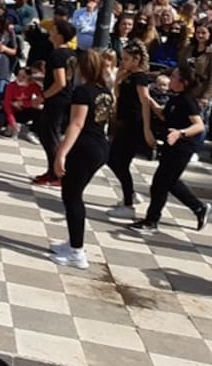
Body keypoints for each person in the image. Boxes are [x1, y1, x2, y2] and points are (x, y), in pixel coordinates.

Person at [49, 49, 114, 269]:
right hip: (100, 146)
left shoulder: (83, 92)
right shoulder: (104, 91)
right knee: (72, 194)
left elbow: (76, 124)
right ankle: (72, 243)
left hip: (85, 148)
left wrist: (61, 153)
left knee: (72, 196)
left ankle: (77, 252)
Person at [129, 64, 211, 234]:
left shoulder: (187, 100)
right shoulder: (176, 98)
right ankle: (199, 208)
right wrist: (148, 99)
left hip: (182, 148)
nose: (170, 79)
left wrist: (180, 133)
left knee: (160, 184)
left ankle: (152, 221)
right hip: (170, 146)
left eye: (174, 77)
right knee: (169, 182)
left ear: (183, 82)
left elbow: (199, 125)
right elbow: (163, 114)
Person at [107, 40, 154, 220]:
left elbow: (145, 102)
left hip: (133, 125)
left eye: (126, 59)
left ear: (136, 59)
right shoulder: (128, 75)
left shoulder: (139, 77)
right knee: (115, 161)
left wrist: (147, 129)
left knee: (118, 161)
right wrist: (118, 78)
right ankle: (130, 194)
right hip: (123, 122)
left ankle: (128, 204)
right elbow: (117, 94)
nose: (123, 62)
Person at [33, 19, 77, 187]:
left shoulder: (57, 55)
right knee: (50, 135)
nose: (50, 32)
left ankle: (56, 173)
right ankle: (53, 170)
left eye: (53, 30)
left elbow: (60, 82)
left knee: (50, 136)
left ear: (59, 35)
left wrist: (43, 96)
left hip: (57, 100)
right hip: (66, 98)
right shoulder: (71, 54)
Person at [1, 64, 44, 140]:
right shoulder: (11, 86)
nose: (20, 78)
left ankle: (33, 131)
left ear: (29, 78)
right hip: (10, 111)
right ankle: (11, 125)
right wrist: (12, 122)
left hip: (24, 110)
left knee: (40, 107)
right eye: (18, 75)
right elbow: (7, 106)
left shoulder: (33, 86)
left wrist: (23, 103)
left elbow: (41, 99)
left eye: (23, 77)